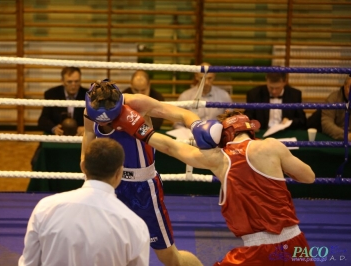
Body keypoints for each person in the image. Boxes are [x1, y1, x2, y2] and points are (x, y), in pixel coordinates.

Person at [112, 109, 316, 265]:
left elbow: (170, 146)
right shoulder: (272, 146)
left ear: (223, 135)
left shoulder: (220, 159)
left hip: (257, 251)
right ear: (250, 129)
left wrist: (134, 124)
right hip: (296, 243)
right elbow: (308, 177)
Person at [81, 79, 219, 266]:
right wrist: (85, 166)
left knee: (170, 258)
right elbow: (89, 135)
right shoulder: (91, 109)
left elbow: (180, 113)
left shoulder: (137, 104)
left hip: (143, 189)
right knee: (109, 251)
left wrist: (195, 124)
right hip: (110, 186)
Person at [19, 138, 150, 266]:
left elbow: (29, 263)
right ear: (119, 173)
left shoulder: (46, 208)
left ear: (83, 167)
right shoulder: (134, 225)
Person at [174, 62, 232, 128]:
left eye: (209, 78)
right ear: (196, 77)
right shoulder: (185, 96)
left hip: (217, 135)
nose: (206, 82)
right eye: (202, 78)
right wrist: (188, 135)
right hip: (191, 135)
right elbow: (177, 123)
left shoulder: (224, 96)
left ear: (214, 76)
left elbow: (231, 120)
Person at [37, 67, 88, 136]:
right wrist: (54, 128)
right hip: (59, 137)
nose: (73, 85)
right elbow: (43, 120)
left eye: (76, 81)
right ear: (62, 81)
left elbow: (96, 119)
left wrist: (86, 128)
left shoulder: (88, 95)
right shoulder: (51, 94)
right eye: (69, 82)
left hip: (81, 137)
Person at [321, 75, 351, 140]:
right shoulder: (333, 98)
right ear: (344, 86)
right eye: (350, 88)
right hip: (336, 139)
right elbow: (326, 124)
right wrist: (346, 135)